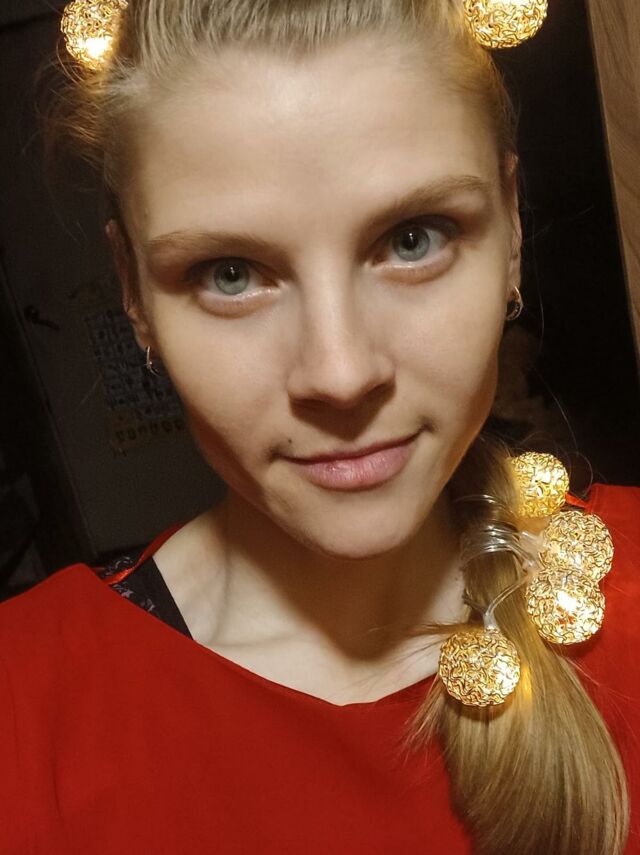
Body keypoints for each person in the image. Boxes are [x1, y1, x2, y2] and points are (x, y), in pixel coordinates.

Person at [1, 1, 638, 852]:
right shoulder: (24, 710)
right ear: (133, 290)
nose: (340, 374)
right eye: (231, 273)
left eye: (413, 239)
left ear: (512, 227)